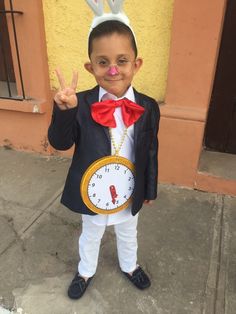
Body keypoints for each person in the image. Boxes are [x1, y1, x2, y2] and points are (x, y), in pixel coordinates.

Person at [48, 10, 160, 300]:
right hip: (94, 189)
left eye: (122, 61)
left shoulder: (148, 106)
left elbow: (150, 149)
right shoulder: (80, 103)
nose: (113, 70)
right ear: (90, 67)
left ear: (136, 64)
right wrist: (65, 110)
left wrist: (150, 187)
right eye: (103, 62)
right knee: (92, 233)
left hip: (128, 188)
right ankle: (85, 271)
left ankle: (130, 265)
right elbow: (60, 142)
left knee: (128, 231)